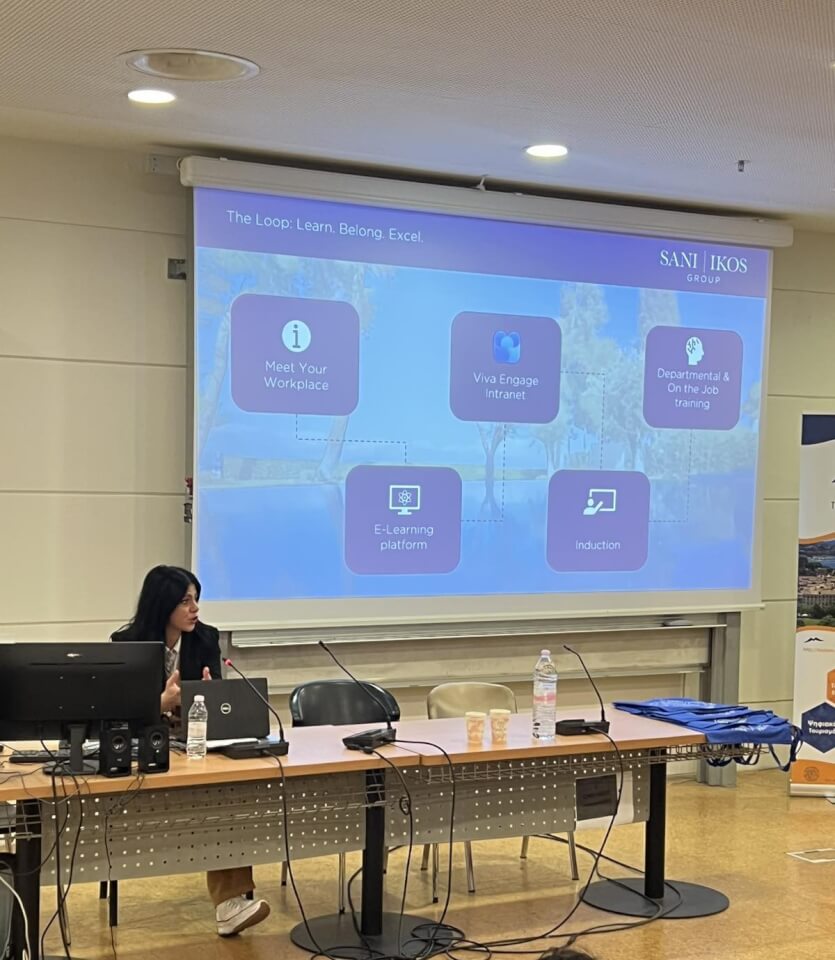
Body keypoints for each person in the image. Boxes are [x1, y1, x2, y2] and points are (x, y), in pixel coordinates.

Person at [112, 564, 270, 937]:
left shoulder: (205, 639)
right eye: (185, 601)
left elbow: (218, 703)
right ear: (162, 603)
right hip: (143, 750)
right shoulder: (126, 643)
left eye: (196, 599)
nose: (195, 609)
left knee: (229, 792)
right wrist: (160, 703)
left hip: (193, 745)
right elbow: (116, 712)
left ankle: (230, 903)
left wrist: (210, 697)